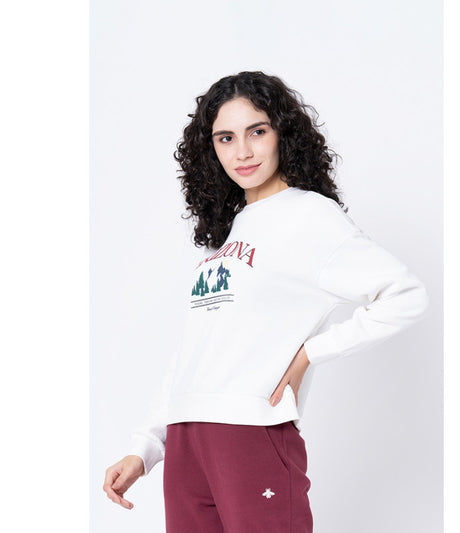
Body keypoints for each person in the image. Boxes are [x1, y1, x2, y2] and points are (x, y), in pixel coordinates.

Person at [103, 70, 430, 532]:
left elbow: (405, 295)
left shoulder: (310, 216)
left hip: (252, 432)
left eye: (257, 131)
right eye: (226, 138)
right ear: (211, 149)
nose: (242, 151)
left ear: (282, 134)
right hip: (186, 440)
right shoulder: (228, 233)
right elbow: (196, 352)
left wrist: (310, 353)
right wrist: (145, 447)